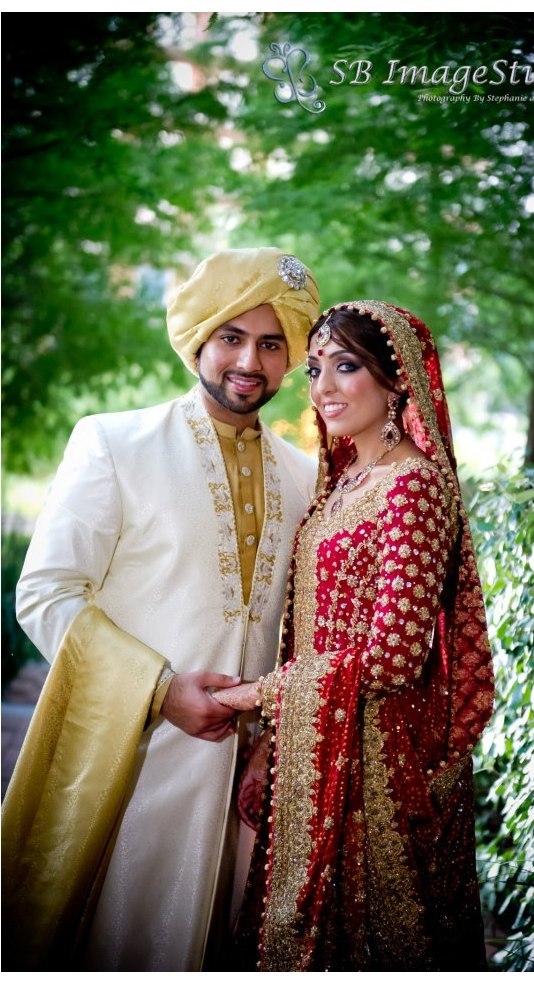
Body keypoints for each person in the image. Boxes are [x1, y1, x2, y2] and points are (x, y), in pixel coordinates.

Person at [3, 247, 320, 971]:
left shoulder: (307, 477)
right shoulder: (114, 443)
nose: (250, 361)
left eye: (272, 344)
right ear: (198, 340)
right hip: (128, 762)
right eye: (231, 337)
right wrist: (159, 690)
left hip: (248, 784)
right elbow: (47, 593)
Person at [215, 300, 495, 971]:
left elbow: (395, 658)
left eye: (346, 367)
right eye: (315, 369)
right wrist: (272, 733)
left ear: (396, 380)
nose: (323, 388)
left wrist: (256, 695)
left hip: (380, 763)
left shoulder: (412, 486)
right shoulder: (344, 481)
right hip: (320, 742)